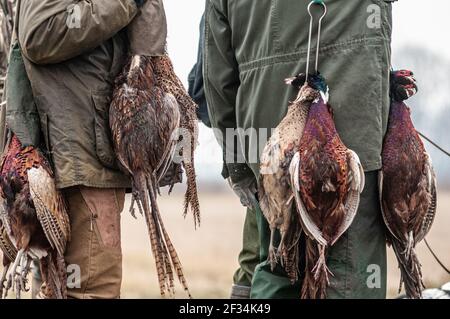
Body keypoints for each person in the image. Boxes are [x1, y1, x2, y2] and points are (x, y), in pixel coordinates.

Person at [204, 0, 398, 298]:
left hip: (269, 152)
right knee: (348, 279)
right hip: (351, 158)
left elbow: (218, 78)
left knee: (279, 270)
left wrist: (239, 163)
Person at [0, 0, 166, 298]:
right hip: (77, 156)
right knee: (91, 290)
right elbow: (40, 33)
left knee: (70, 288)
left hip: (85, 152)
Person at [188, 13, 260, 299]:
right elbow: (208, 87)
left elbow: (205, 89)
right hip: (259, 148)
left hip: (256, 146)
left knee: (258, 261)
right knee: (262, 260)